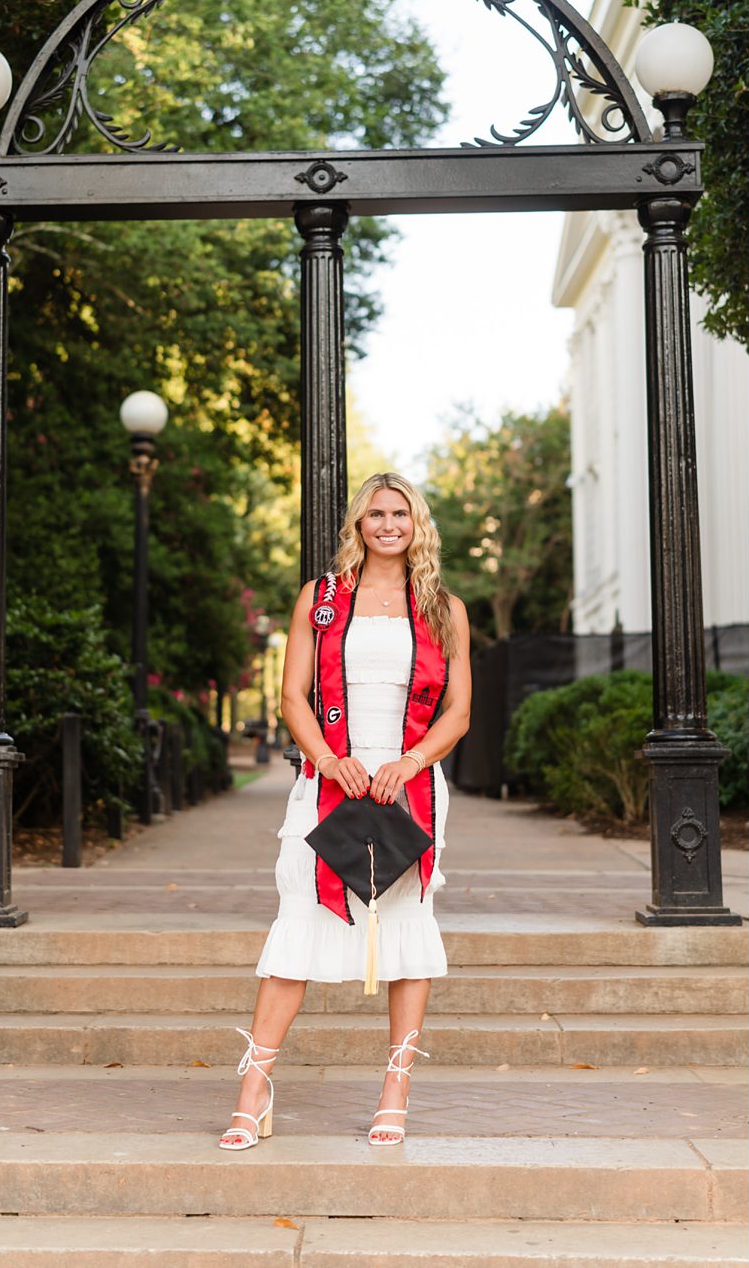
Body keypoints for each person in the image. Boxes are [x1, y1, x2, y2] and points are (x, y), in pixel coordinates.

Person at [219, 472, 472, 1149]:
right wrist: (329, 759)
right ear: (358, 524)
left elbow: (458, 710)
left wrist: (410, 761)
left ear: (416, 522)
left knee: (405, 924)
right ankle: (255, 1088)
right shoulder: (322, 598)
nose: (388, 524)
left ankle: (396, 1085)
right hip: (331, 779)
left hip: (407, 782)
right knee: (297, 918)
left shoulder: (444, 607)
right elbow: (293, 696)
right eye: (375, 514)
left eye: (400, 512)